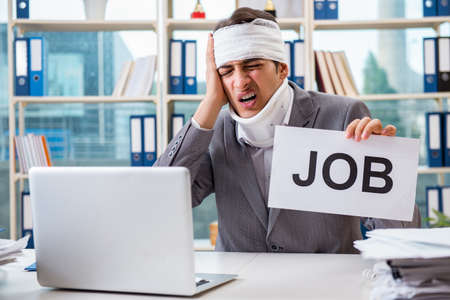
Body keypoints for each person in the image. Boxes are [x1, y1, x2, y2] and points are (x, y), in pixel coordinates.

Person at [155, 7, 420, 253]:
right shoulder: (216, 129)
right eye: (226, 71)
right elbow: (160, 200)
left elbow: (402, 238)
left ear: (282, 69)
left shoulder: (342, 116)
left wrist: (386, 171)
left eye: (252, 66)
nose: (240, 82)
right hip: (242, 286)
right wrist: (210, 103)